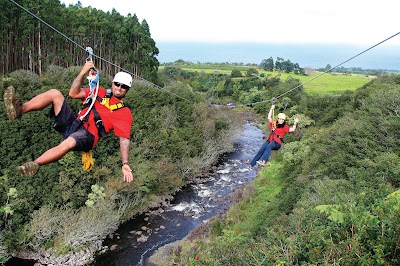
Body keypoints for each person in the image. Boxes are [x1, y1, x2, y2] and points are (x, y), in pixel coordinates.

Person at [3, 61, 134, 182]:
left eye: (124, 86)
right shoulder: (99, 92)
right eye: (117, 84)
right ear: (113, 83)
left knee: (69, 143)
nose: (119, 88)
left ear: (127, 90)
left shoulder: (124, 113)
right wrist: (83, 72)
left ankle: (35, 164)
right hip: (75, 123)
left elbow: (124, 139)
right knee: (54, 93)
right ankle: (20, 109)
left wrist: (125, 163)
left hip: (89, 135)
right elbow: (73, 93)